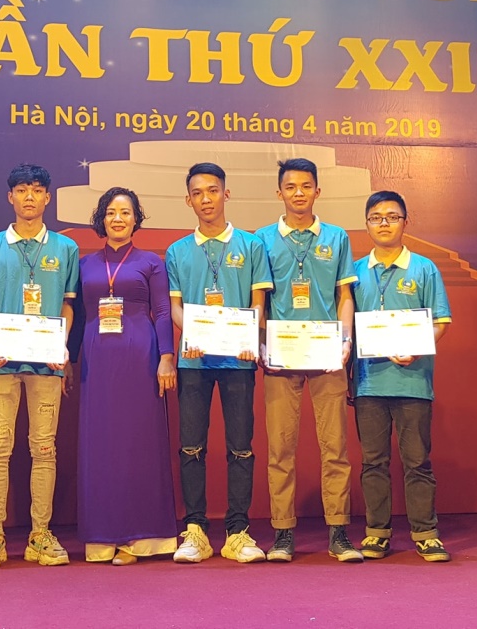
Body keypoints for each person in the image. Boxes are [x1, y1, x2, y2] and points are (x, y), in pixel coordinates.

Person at [0, 163, 81, 569]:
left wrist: (61, 344)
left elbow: (68, 304)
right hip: (2, 363)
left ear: (47, 197)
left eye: (37, 190)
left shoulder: (65, 248)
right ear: (10, 197)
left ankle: (40, 534)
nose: (29, 197)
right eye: (22, 190)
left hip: (47, 364)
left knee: (44, 448)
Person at [253, 158, 361, 563]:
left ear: (318, 190)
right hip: (281, 357)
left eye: (305, 186)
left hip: (327, 354)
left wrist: (345, 340)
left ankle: (339, 532)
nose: (298, 193)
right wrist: (260, 343)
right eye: (290, 186)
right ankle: (283, 533)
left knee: (335, 447)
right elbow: (259, 299)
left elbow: (344, 296)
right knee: (280, 448)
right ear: (278, 192)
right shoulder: (261, 239)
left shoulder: (337, 237)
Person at [164, 162, 272, 564]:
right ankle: (195, 530)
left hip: (238, 361)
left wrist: (248, 338)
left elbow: (258, 303)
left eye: (212, 191)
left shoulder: (251, 245)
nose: (206, 199)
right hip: (194, 361)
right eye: (197, 193)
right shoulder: (177, 251)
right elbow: (176, 307)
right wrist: (189, 333)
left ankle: (238, 532)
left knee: (241, 447)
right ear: (188, 200)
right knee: (191, 446)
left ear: (226, 194)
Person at [76, 187, 179, 565]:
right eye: (110, 212)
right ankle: (104, 537)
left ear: (136, 219)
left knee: (139, 443)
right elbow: (76, 315)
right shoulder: (84, 263)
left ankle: (140, 539)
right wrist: (66, 357)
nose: (117, 219)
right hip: (96, 359)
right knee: (101, 444)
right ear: (101, 219)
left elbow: (163, 312)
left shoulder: (151, 262)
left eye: (125, 212)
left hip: (140, 357)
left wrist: (166, 357)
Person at [351, 191, 453, 563]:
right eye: (376, 217)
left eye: (392, 217)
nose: (384, 223)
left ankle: (426, 534)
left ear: (405, 222)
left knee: (417, 461)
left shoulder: (424, 268)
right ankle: (377, 533)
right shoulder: (355, 272)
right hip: (369, 383)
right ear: (366, 224)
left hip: (413, 382)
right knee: (373, 462)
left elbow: (441, 321)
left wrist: (418, 347)